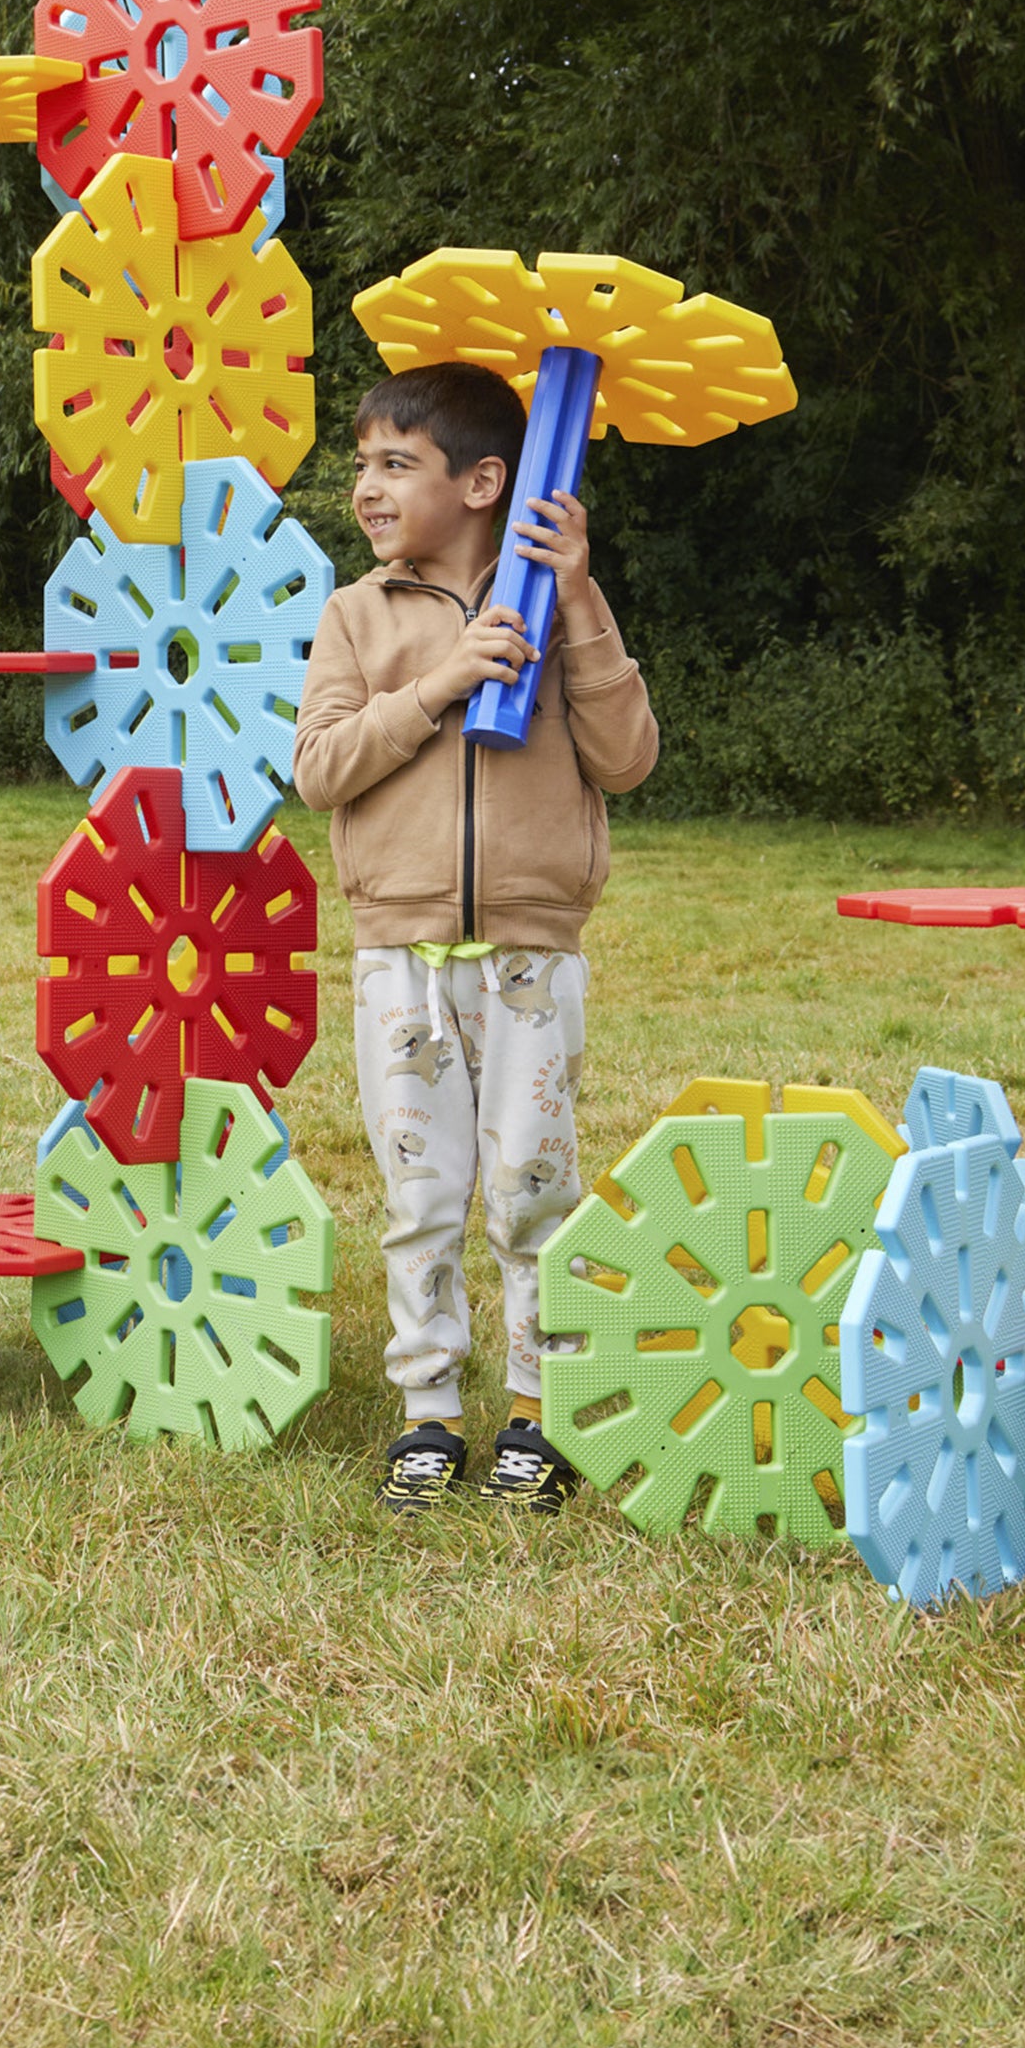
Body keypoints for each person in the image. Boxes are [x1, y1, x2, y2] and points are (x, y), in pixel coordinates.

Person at [290, 364, 657, 1513]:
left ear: (485, 481)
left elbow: (629, 758)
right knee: (423, 1193)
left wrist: (580, 601)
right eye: (364, 465)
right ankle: (429, 1416)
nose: (367, 487)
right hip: (399, 953)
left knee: (529, 1184)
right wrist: (439, 684)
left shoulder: (559, 605)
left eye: (396, 464)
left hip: (530, 957)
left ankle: (539, 1415)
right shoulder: (358, 615)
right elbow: (320, 769)